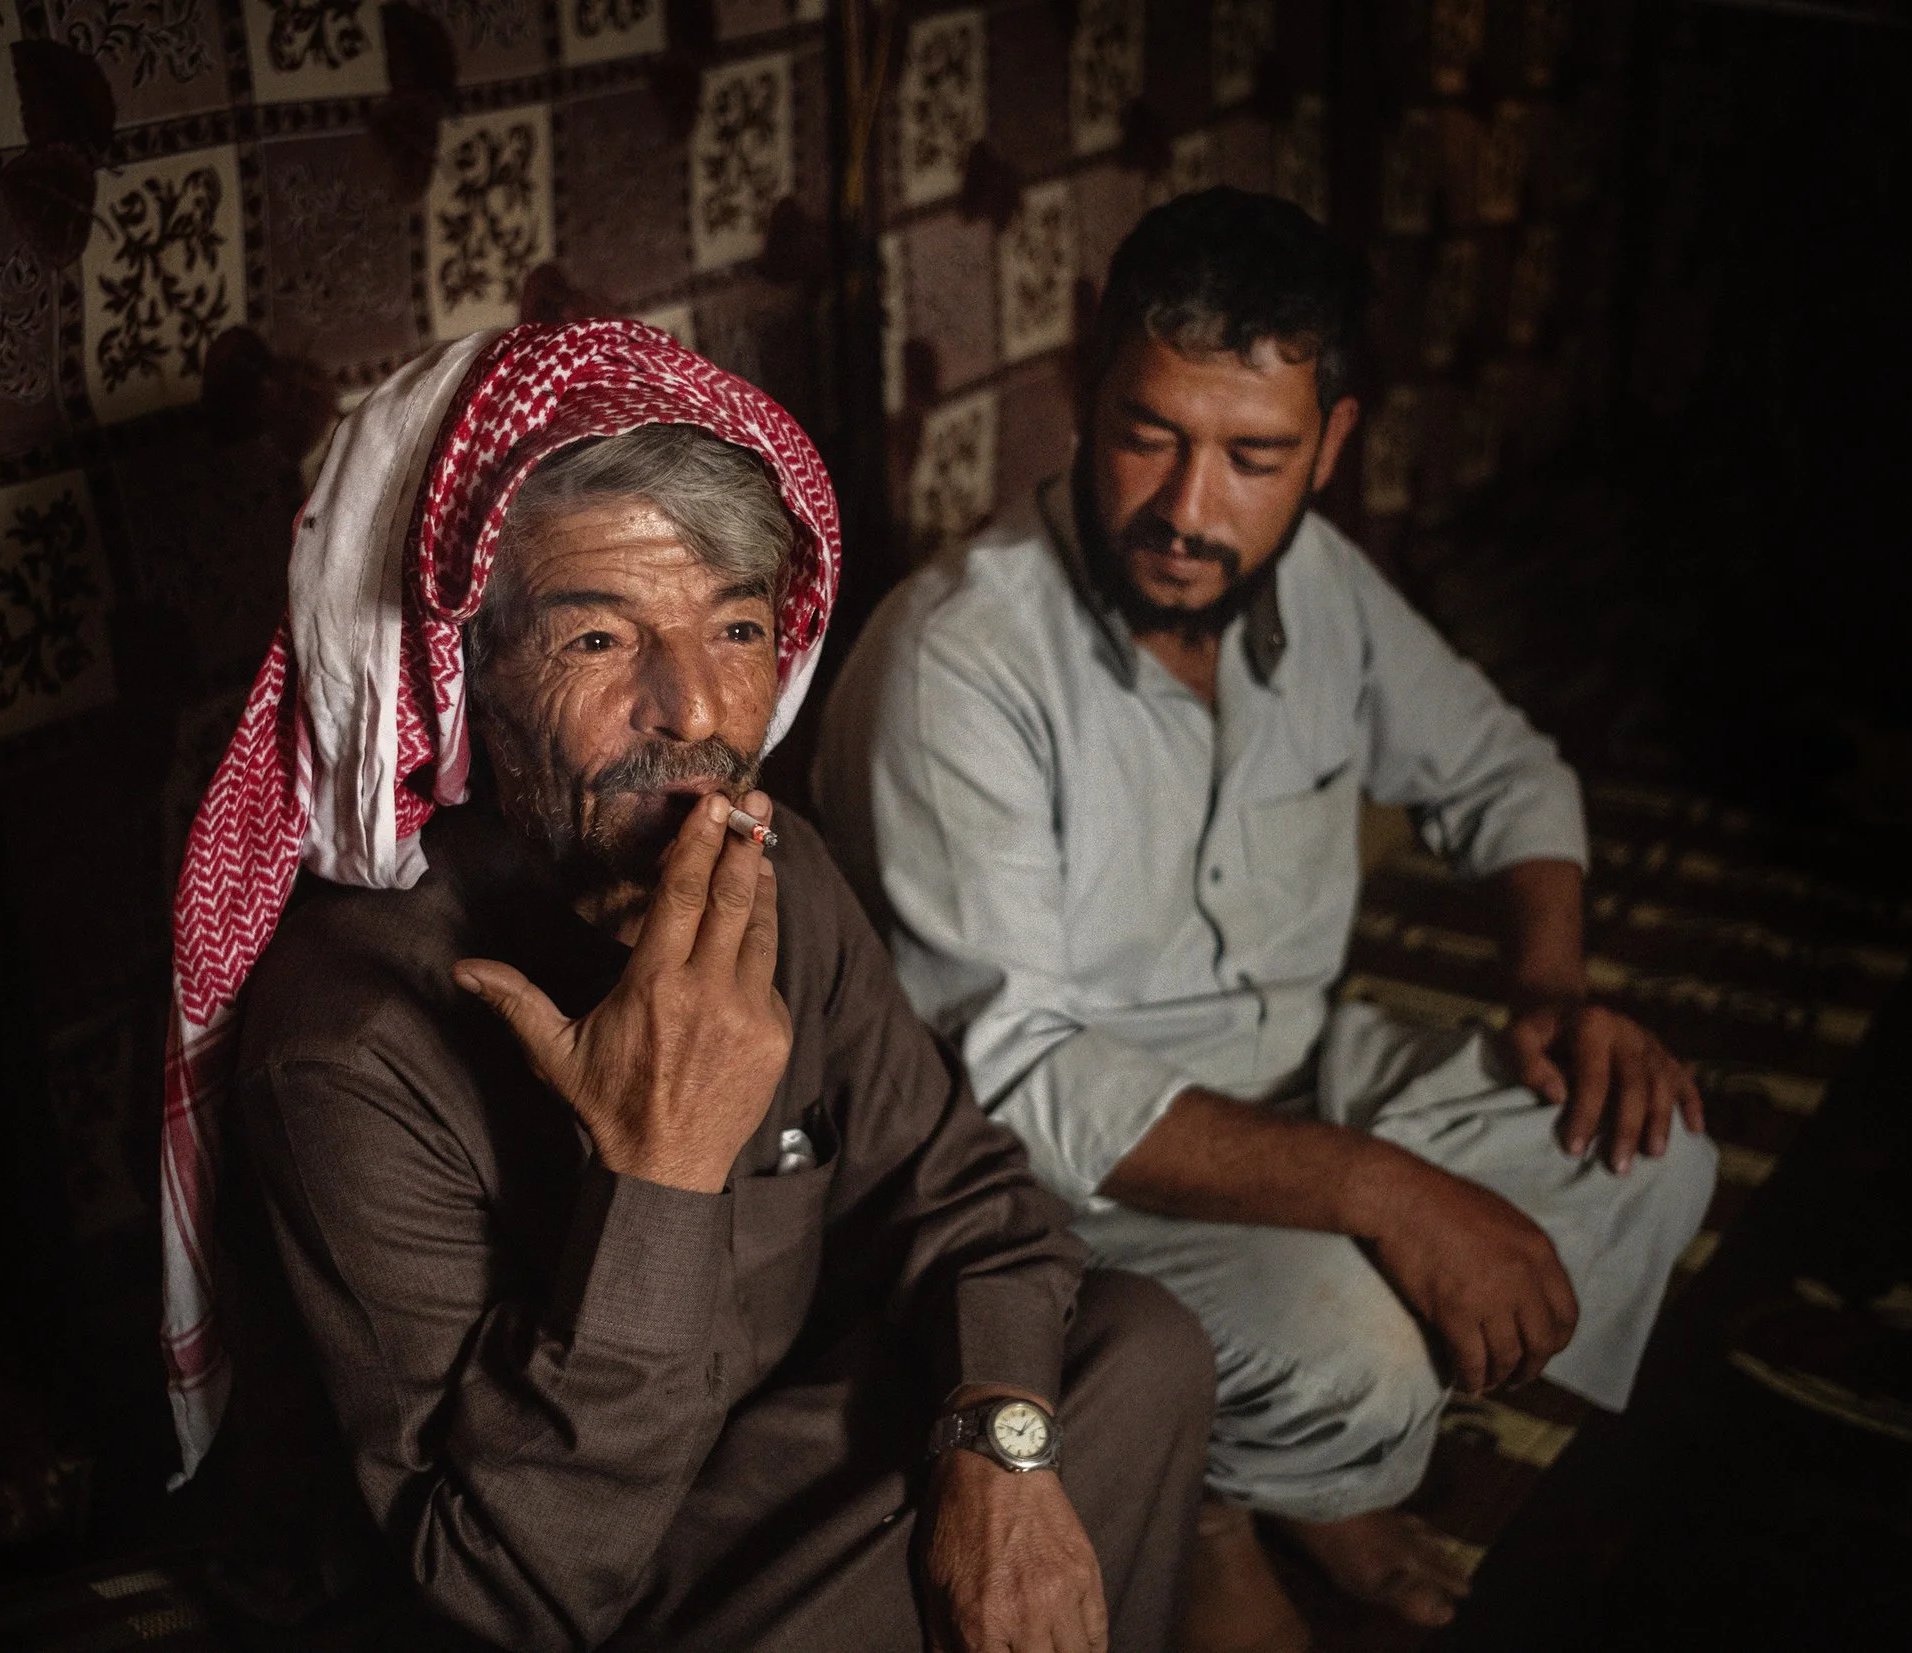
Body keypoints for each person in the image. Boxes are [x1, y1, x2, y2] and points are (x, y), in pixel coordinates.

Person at [160, 321, 1213, 1653]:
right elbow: (508, 1591)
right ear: (463, 670)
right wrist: (657, 1175)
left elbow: (970, 1206)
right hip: (565, 1590)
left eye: (737, 627)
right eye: (600, 640)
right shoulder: (354, 1043)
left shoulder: (775, 873)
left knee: (1133, 1349)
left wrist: (995, 1453)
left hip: (763, 1476)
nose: (696, 713)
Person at [815, 191, 1718, 1648]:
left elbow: (1503, 771)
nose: (1188, 507)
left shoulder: (1321, 583)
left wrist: (1552, 987)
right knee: (1360, 1360)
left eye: (1255, 456)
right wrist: (1381, 1192)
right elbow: (1018, 1085)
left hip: (1299, 1083)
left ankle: (1304, 1469)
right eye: (1148, 433)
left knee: (1647, 1147)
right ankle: (1218, 1507)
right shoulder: (960, 661)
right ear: (1079, 392)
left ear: (1332, 446)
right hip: (1052, 1192)